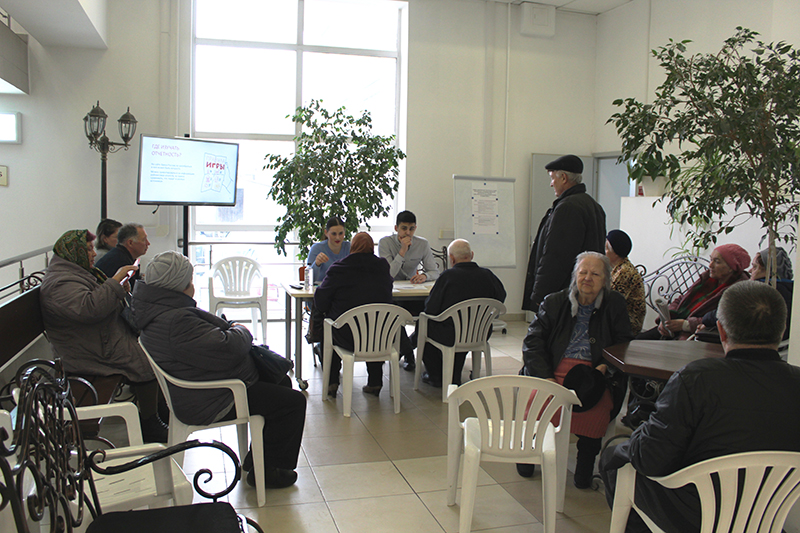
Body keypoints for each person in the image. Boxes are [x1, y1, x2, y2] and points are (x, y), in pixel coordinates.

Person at [599, 281, 800, 533]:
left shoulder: (696, 380)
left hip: (698, 515)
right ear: (782, 331)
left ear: (721, 331)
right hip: (766, 515)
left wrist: (639, 433)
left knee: (615, 460)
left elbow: (650, 459)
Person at [131, 251, 307, 489]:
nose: (193, 286)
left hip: (201, 388)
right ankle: (267, 474)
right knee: (293, 402)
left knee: (280, 381)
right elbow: (228, 349)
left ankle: (260, 462)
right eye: (190, 281)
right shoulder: (176, 321)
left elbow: (209, 348)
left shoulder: (156, 311)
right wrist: (240, 329)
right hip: (211, 399)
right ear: (179, 287)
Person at [39, 229, 166, 442]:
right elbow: (90, 309)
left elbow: (93, 303)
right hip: (85, 352)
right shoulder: (60, 283)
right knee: (145, 359)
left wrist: (119, 288)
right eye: (88, 249)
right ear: (75, 252)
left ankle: (156, 416)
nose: (93, 254)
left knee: (150, 350)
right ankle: (151, 423)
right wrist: (115, 282)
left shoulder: (72, 274)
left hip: (93, 341)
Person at [520, 251, 633, 487]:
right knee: (538, 404)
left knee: (597, 407)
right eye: (583, 272)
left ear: (606, 279)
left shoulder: (614, 304)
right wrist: (546, 378)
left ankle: (584, 468)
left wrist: (604, 367)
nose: (587, 278)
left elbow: (623, 343)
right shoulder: (554, 302)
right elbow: (532, 343)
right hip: (552, 369)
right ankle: (528, 453)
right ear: (575, 276)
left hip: (593, 373)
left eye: (595, 274)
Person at [522, 155, 606, 313]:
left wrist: (540, 296)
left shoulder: (568, 207)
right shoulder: (593, 205)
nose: (551, 183)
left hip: (564, 296)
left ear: (564, 178)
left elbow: (556, 257)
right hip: (586, 291)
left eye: (553, 178)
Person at [418, 239, 506, 388]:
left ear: (451, 258)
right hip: (480, 332)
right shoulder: (488, 275)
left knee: (424, 325)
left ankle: (435, 375)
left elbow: (431, 308)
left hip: (450, 334)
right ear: (472, 255)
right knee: (457, 330)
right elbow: (500, 297)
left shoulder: (448, 276)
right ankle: (454, 375)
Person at [314, 232, 394, 396]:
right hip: (380, 336)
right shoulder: (383, 266)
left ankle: (332, 381)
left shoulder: (339, 268)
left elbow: (321, 302)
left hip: (346, 336)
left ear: (352, 247)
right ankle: (375, 381)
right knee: (374, 322)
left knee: (329, 324)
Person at [637, 243, 750, 340]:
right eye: (711, 259)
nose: (710, 265)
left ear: (732, 267)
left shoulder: (738, 291)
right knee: (634, 342)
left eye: (717, 261)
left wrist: (685, 325)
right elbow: (681, 298)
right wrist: (667, 318)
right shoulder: (707, 280)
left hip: (694, 335)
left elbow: (721, 319)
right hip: (674, 326)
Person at [379, 210, 441, 370]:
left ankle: (407, 347)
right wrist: (402, 251)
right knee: (393, 314)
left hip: (412, 292)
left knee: (430, 312)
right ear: (396, 228)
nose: (408, 233)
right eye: (404, 228)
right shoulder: (385, 243)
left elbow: (435, 272)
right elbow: (388, 274)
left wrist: (425, 276)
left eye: (411, 229)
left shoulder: (422, 244)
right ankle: (408, 354)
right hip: (392, 294)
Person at [701, 246, 794, 340]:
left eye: (755, 267)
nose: (750, 270)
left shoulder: (756, 291)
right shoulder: (792, 291)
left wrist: (706, 321)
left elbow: (722, 313)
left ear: (768, 271)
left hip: (752, 343)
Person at [605, 230, 646, 335]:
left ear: (615, 253)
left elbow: (610, 302)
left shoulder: (625, 272)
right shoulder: (619, 268)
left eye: (606, 248)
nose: (604, 252)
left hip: (628, 324)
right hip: (618, 319)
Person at [95, 223, 150, 289]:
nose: (148, 243)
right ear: (130, 243)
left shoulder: (120, 255)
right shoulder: (119, 262)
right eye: (144, 240)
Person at [307, 216, 351, 283]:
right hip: (322, 287)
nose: (337, 237)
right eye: (334, 234)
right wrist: (317, 264)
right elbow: (309, 279)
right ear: (326, 233)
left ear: (344, 232)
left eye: (340, 233)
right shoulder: (316, 248)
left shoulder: (350, 248)